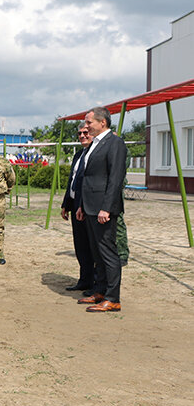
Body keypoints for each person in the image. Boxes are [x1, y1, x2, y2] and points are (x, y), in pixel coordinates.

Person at [77, 107, 127, 312]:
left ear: (102, 122)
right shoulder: (95, 144)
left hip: (103, 209)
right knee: (96, 253)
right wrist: (81, 205)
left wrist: (106, 208)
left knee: (108, 253)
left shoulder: (115, 143)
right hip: (90, 207)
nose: (86, 127)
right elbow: (89, 178)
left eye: (89, 122)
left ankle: (113, 298)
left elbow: (115, 178)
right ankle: (100, 291)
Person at [61, 125, 96, 292]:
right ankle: (84, 280)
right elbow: (72, 181)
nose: (82, 136)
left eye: (85, 133)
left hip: (89, 206)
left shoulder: (95, 154)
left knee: (92, 246)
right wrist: (66, 204)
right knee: (80, 245)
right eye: (80, 133)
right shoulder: (78, 155)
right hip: (76, 205)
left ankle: (96, 283)